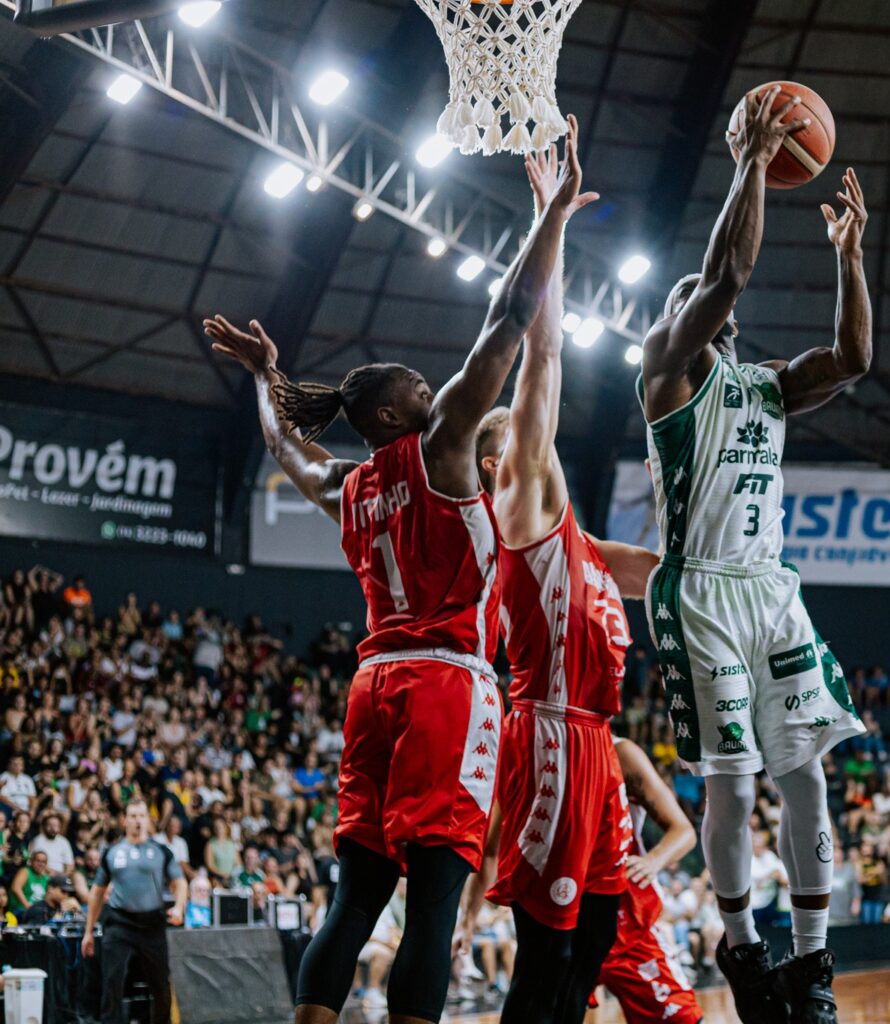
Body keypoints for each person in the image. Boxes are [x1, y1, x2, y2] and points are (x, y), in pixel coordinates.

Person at [204, 115, 587, 1024]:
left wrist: (268, 375)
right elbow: (508, 318)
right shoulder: (447, 450)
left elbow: (284, 449)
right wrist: (556, 213)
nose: (432, 386)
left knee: (354, 899)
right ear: (389, 413)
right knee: (432, 905)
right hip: (447, 686)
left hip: (372, 684)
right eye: (415, 386)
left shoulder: (350, 481)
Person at [638, 82, 872, 1024]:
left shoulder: (768, 384)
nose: (710, 302)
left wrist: (850, 259)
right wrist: (748, 167)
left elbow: (853, 360)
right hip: (699, 592)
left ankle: (810, 965)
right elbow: (725, 276)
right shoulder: (664, 367)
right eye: (692, 297)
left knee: (807, 775)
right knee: (730, 785)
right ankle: (742, 951)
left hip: (772, 592)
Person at [467, 141, 653, 1024]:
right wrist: (552, 223)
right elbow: (544, 363)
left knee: (601, 929)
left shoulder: (578, 541)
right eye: (520, 440)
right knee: (546, 959)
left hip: (595, 746)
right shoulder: (524, 504)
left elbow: (666, 573)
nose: (536, 442)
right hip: (548, 736)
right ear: (503, 463)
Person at [590, 738, 703, 1024]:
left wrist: (652, 860)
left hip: (625, 920)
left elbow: (684, 831)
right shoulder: (531, 742)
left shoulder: (619, 751)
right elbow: (493, 849)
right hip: (562, 919)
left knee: (682, 1018)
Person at [82, 800, 187, 1024]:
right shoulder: (112, 853)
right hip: (119, 923)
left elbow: (180, 882)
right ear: (125, 820)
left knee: (160, 983)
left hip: (152, 925)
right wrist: (88, 932)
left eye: (141, 816)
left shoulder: (161, 851)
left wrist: (179, 906)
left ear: (148, 820)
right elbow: (97, 893)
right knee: (112, 981)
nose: (137, 820)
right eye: (133, 816)